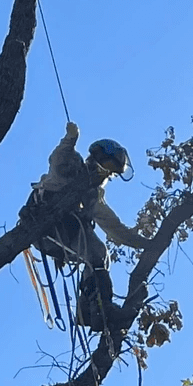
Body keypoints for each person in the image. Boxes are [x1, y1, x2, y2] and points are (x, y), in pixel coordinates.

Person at [30, 122, 147, 331]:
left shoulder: (92, 196)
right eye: (108, 168)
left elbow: (113, 227)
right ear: (97, 159)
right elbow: (58, 159)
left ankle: (89, 310)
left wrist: (144, 243)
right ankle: (102, 308)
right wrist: (70, 138)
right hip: (46, 225)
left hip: (64, 234)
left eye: (112, 173)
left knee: (100, 255)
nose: (107, 175)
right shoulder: (72, 168)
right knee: (96, 253)